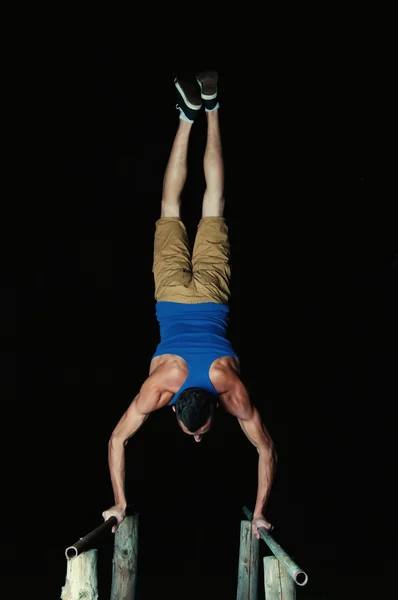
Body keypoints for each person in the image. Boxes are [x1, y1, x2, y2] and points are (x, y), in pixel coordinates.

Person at [102, 71, 277, 539]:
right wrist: (116, 501)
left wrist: (262, 510)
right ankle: (185, 117)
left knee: (213, 202)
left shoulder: (229, 389)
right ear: (175, 409)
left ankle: (211, 108)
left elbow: (267, 451)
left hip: (214, 295)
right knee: (171, 205)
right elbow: (117, 440)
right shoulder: (159, 389)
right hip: (171, 296)